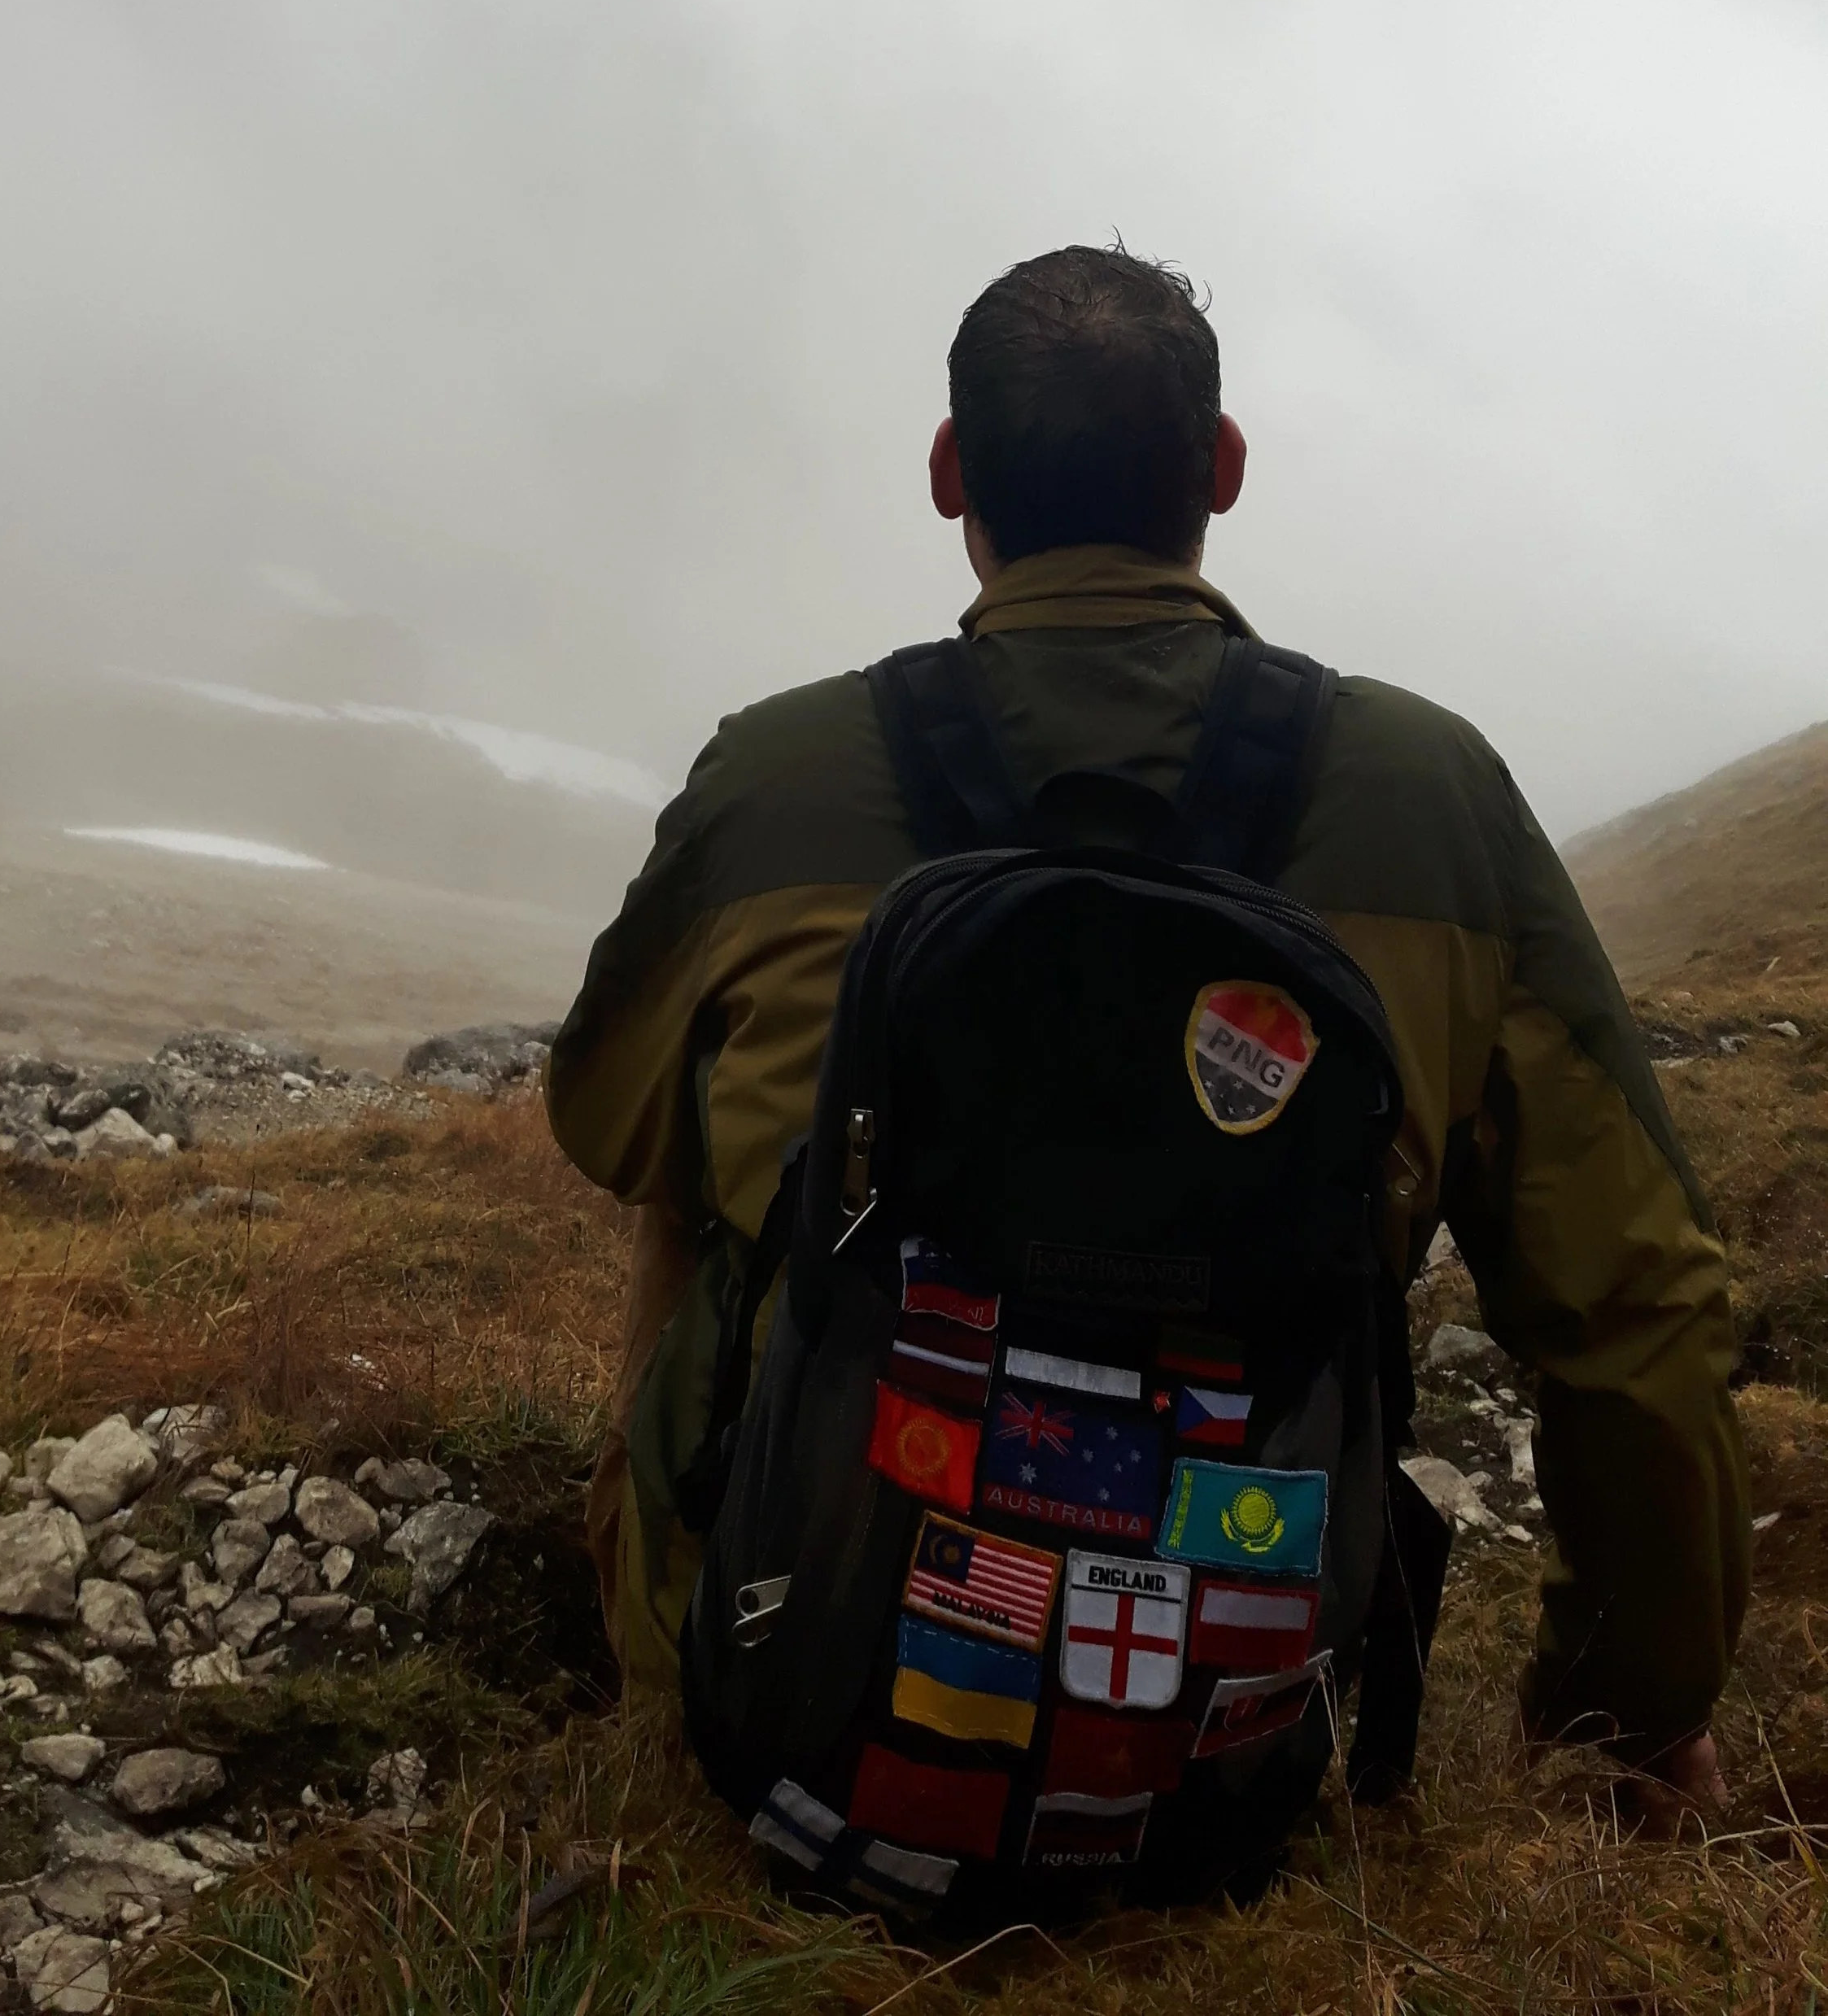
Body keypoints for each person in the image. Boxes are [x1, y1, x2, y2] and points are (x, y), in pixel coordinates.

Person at [546, 245, 1746, 1804]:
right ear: (1224, 470)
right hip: (1240, 1729)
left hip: (801, 1722)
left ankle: (679, 1657)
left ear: (947, 472)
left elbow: (606, 1120)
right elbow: (1639, 1316)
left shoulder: (773, 778)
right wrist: (1627, 1714)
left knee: (698, 1167)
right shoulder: (1430, 792)